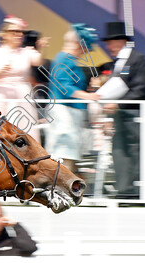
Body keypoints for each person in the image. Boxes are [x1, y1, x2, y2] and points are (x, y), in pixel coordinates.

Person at [97, 21, 145, 199]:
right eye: (108, 43)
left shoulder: (137, 58)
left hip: (134, 113)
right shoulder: (117, 63)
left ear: (122, 41)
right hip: (121, 114)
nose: (108, 46)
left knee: (133, 150)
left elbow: (140, 88)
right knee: (119, 149)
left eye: (111, 42)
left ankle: (133, 189)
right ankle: (123, 188)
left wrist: (118, 104)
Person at [44, 24, 101, 176]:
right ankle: (60, 186)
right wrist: (87, 96)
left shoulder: (68, 60)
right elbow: (64, 86)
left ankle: (67, 185)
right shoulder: (64, 59)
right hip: (64, 111)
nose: (86, 53)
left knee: (69, 151)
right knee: (64, 151)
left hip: (70, 111)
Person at [0, 15, 46, 141]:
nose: (18, 34)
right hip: (1, 97)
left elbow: (38, 61)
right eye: (14, 32)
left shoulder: (26, 52)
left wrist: (41, 49)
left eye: (21, 32)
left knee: (24, 133)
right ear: (5, 34)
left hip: (22, 96)